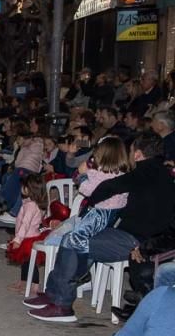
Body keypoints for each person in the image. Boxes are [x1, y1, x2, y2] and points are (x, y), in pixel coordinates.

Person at [27, 133, 175, 322]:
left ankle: (61, 305)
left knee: (72, 241)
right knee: (77, 239)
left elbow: (108, 188)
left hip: (135, 241)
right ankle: (55, 292)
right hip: (136, 236)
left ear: (137, 154)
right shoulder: (162, 174)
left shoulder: (145, 172)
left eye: (131, 152)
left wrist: (91, 195)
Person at [6, 174, 49, 294]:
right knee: (25, 262)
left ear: (30, 189)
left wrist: (18, 239)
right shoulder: (31, 203)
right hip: (28, 237)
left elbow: (25, 224)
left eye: (24, 186)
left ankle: (34, 285)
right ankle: (24, 281)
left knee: (30, 264)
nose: (21, 187)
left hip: (27, 238)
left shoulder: (30, 206)